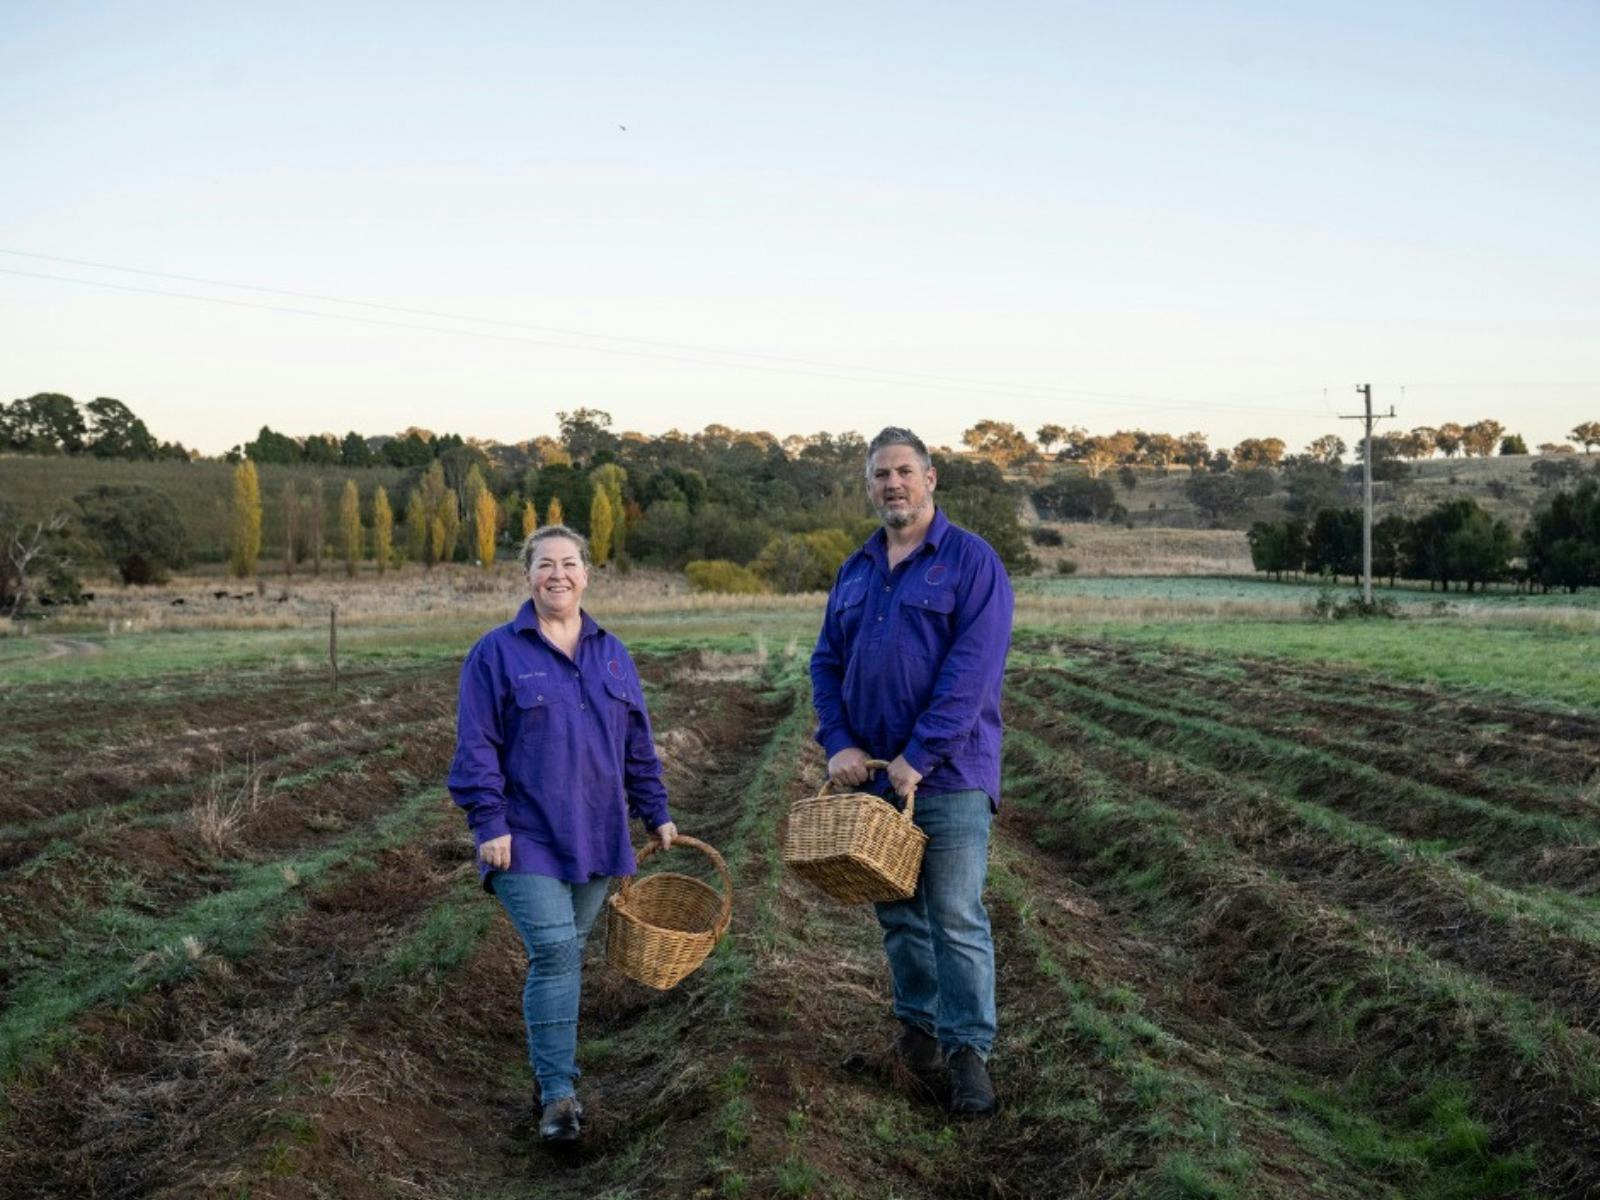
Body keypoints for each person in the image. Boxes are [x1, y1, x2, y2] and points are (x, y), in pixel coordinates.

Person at [447, 524, 677, 1143]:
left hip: (598, 834)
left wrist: (655, 812)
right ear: (527, 575)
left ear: (586, 574)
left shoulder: (612, 653)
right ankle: (558, 1097)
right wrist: (487, 822)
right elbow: (476, 746)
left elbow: (637, 745)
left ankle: (553, 1076)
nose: (558, 574)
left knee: (566, 957)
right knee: (553, 951)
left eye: (569, 563)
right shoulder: (495, 653)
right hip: (524, 837)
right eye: (545, 564)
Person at [810, 427, 1014, 1117]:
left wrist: (917, 758)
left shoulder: (971, 562)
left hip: (950, 778)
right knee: (900, 918)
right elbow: (826, 663)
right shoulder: (858, 568)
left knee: (954, 914)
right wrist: (838, 741)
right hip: (871, 778)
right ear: (869, 486)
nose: (892, 484)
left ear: (931, 479)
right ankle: (919, 1036)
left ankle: (968, 1056)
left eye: (904, 471)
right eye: (879, 475)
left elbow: (971, 674)